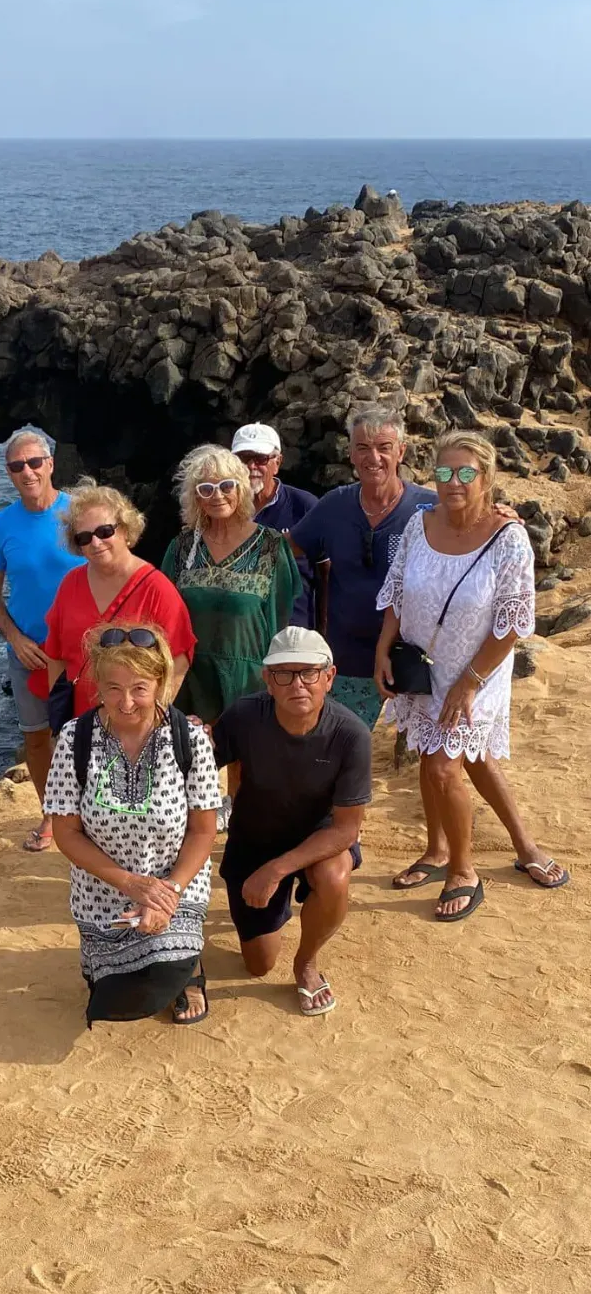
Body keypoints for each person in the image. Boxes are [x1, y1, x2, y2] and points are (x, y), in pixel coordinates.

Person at [375, 432, 568, 919]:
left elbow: (512, 621)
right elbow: (397, 590)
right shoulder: (419, 526)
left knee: (444, 766)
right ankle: (465, 850)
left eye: (466, 473)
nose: (453, 482)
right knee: (443, 755)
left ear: (486, 478)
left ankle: (464, 871)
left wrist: (469, 683)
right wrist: (383, 648)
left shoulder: (509, 537)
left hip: (478, 671)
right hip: (421, 665)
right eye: (444, 472)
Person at [45, 623, 221, 1026]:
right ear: (97, 685)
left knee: (163, 975)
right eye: (112, 688)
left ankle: (188, 969)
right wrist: (128, 883)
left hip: (175, 882)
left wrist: (168, 893)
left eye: (139, 688)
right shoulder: (76, 739)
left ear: (161, 682)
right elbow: (66, 832)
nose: (125, 703)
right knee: (116, 997)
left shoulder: (189, 739)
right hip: (102, 889)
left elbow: (202, 830)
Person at [213, 626, 371, 1017]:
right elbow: (194, 765)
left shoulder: (351, 734)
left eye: (309, 673)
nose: (297, 684)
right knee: (258, 965)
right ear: (268, 680)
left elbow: (346, 830)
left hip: (319, 837)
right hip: (255, 836)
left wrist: (276, 869)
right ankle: (277, 911)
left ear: (329, 678)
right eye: (284, 673)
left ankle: (307, 961)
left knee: (335, 876)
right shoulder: (244, 716)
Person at [288, 407, 434, 729]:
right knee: (338, 748)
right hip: (349, 658)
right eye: (363, 447)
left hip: (414, 655)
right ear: (350, 453)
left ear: (401, 452)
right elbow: (287, 548)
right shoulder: (334, 505)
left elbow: (472, 535)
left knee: (427, 760)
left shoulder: (430, 508)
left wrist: (498, 516)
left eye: (384, 447)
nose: (374, 457)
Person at [0, 429, 85, 852]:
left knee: (90, 734)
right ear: (8, 473)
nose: (27, 472)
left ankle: (96, 815)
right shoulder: (0, 525)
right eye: (17, 466)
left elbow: (113, 569)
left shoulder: (79, 513)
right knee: (38, 736)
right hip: (30, 653)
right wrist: (14, 638)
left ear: (51, 464)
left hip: (83, 651)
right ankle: (52, 816)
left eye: (34, 462)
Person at [161, 443, 301, 724]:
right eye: (206, 489)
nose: (217, 496)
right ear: (196, 497)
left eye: (226, 486)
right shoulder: (182, 547)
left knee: (245, 763)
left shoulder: (270, 546)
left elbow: (280, 617)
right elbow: (163, 618)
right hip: (190, 678)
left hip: (247, 680)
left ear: (241, 488)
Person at [43, 481, 196, 721]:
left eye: (105, 532)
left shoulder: (156, 589)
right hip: (82, 724)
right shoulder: (70, 584)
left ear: (125, 530)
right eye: (84, 537)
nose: (96, 542)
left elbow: (180, 658)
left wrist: (153, 715)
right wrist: (60, 720)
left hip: (135, 725)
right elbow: (56, 655)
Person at [230, 423, 317, 626]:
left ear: (277, 463)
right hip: (239, 631)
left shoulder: (304, 506)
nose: (251, 467)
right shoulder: (222, 508)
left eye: (261, 459)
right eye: (244, 458)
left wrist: (323, 633)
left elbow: (326, 571)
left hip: (292, 630)